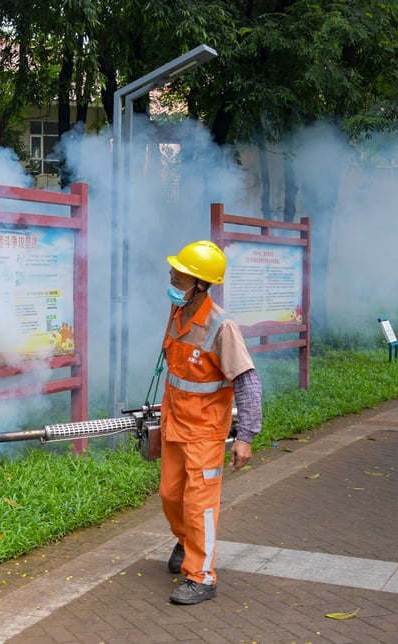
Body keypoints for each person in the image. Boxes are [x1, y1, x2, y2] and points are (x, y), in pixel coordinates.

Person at [160, 239, 262, 605]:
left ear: (200, 284)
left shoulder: (222, 327)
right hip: (174, 425)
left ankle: (201, 577)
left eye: (180, 274)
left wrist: (246, 435)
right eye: (174, 270)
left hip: (205, 432)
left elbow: (247, 380)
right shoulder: (177, 313)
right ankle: (187, 543)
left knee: (199, 504)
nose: (172, 275)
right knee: (170, 495)